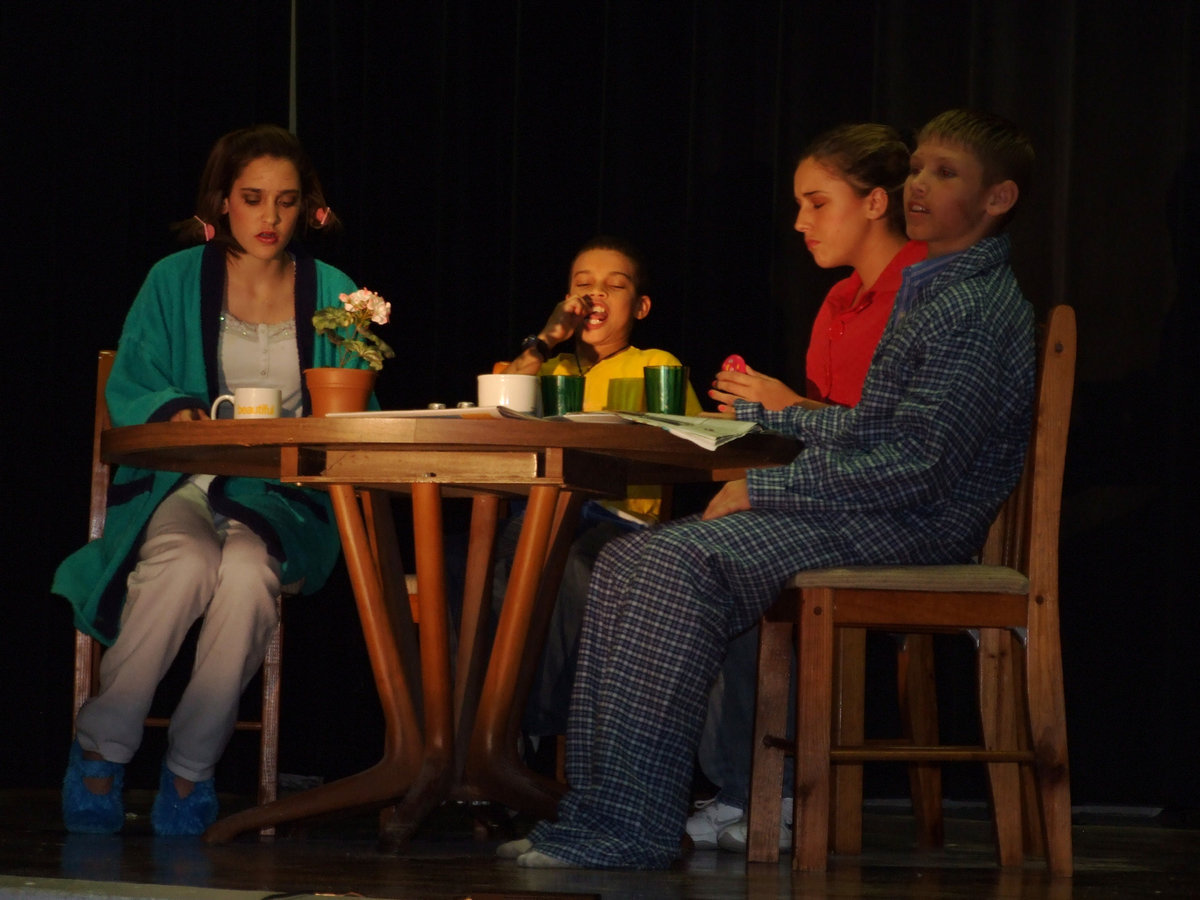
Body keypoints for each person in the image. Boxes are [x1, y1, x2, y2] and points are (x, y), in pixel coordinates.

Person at [498, 108, 1036, 869]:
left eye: (944, 173)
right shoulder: (932, 293)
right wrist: (769, 416)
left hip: (914, 523)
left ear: (997, 199)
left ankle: (624, 829)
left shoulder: (972, 307)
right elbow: (873, 431)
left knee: (662, 564)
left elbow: (920, 465)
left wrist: (770, 490)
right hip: (877, 506)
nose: (917, 183)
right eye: (916, 166)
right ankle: (609, 817)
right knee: (629, 563)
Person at [53, 124, 367, 836]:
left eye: (286, 202)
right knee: (184, 562)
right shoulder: (174, 278)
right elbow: (132, 381)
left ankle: (191, 771)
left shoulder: (336, 293)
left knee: (249, 573)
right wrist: (180, 411)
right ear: (223, 201)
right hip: (182, 483)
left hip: (283, 497)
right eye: (253, 198)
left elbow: (355, 406)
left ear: (306, 208)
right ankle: (102, 751)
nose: (269, 218)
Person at [690, 123, 928, 851]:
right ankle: (742, 785)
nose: (799, 223)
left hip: (900, 508)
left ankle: (774, 790)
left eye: (816, 203)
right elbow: (820, 435)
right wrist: (749, 417)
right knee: (709, 545)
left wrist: (785, 405)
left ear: (874, 203)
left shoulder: (927, 293)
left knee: (741, 550)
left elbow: (889, 440)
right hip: (836, 492)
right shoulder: (836, 305)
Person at [495, 236, 701, 741]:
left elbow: (697, 446)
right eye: (582, 286)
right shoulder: (552, 368)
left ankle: (522, 731)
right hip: (544, 514)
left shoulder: (656, 363)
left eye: (615, 285)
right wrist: (546, 339)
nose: (596, 295)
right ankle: (482, 732)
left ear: (642, 305)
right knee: (483, 559)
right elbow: (496, 412)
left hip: (622, 522)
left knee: (567, 558)